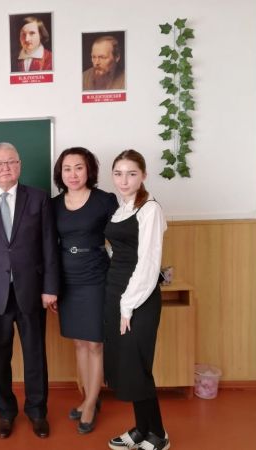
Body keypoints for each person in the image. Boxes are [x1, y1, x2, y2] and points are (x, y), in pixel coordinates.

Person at [0, 142, 59, 439]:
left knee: (35, 355)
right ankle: (5, 412)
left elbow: (49, 245)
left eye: (10, 162)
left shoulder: (39, 198)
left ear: (19, 165)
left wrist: (50, 287)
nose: (5, 167)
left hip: (31, 290)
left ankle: (37, 411)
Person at [104, 150, 169, 450]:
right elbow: (120, 250)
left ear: (143, 175)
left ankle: (158, 433)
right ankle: (141, 429)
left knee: (137, 365)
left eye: (131, 174)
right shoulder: (123, 207)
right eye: (118, 173)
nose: (124, 180)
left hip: (137, 298)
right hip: (116, 291)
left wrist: (127, 305)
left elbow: (148, 263)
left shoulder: (149, 209)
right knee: (126, 365)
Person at [51, 147, 118, 434]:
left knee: (95, 343)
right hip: (67, 278)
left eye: (79, 167)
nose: (73, 174)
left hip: (96, 276)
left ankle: (91, 402)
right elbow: (49, 248)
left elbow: (121, 240)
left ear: (89, 169)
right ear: (60, 173)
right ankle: (88, 396)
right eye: (67, 168)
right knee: (79, 343)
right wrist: (52, 287)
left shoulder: (105, 200)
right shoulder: (53, 205)